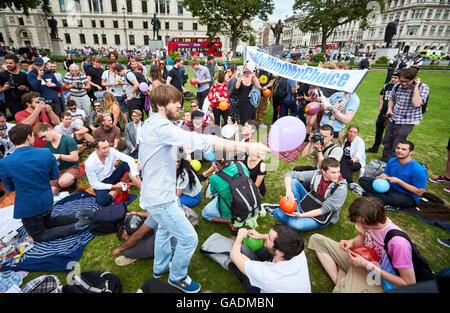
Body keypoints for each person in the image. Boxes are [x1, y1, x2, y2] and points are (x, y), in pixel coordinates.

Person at [138, 84, 269, 293]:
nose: (179, 105)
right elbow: (197, 138)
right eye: (175, 102)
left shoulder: (153, 124)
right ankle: (178, 277)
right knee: (189, 239)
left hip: (161, 193)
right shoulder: (160, 127)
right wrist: (246, 147)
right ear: (161, 104)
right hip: (161, 198)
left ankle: (160, 267)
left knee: (164, 230)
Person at [0, 124, 91, 242]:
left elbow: (10, 187)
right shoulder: (46, 153)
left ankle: (76, 226)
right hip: (46, 200)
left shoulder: (4, 162)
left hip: (28, 206)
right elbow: (54, 176)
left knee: (39, 236)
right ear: (29, 137)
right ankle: (76, 216)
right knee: (47, 223)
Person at [308, 196, 417, 293]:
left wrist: (366, 265)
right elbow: (364, 238)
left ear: (369, 220)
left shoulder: (398, 243)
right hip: (362, 261)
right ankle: (342, 280)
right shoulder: (373, 223)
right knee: (316, 240)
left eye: (358, 222)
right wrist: (351, 242)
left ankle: (344, 281)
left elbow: (408, 283)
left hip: (379, 279)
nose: (356, 224)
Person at [271, 157, 347, 231]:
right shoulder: (317, 174)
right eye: (333, 172)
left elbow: (324, 210)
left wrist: (301, 216)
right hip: (312, 201)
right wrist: (289, 191)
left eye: (338, 171)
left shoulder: (341, 188)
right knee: (293, 182)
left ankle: (277, 211)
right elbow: (290, 174)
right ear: (323, 171)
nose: (337, 175)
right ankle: (295, 210)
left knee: (298, 224)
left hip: (324, 214)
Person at [229, 225, 311, 293]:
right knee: (268, 248)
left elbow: (234, 255)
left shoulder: (267, 275)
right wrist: (260, 236)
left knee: (243, 253)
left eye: (269, 238)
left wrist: (239, 237)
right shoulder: (297, 249)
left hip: (269, 284)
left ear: (280, 252)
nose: (266, 237)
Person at [359, 141, 427, 210]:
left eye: (404, 149)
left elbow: (419, 192)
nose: (399, 151)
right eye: (398, 148)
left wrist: (399, 181)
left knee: (389, 198)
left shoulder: (419, 170)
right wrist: (383, 176)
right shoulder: (392, 160)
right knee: (363, 180)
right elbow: (386, 174)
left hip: (407, 196)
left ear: (411, 152)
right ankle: (381, 198)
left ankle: (369, 195)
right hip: (389, 188)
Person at [380, 67, 430, 162]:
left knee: (397, 143)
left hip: (407, 121)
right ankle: (385, 159)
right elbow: (392, 99)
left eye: (407, 81)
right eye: (401, 80)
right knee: (387, 140)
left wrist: (415, 86)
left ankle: (393, 162)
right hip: (393, 117)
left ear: (414, 79)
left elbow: (417, 103)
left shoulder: (422, 87)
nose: (403, 83)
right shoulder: (397, 86)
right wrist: (390, 109)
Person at [85, 138, 141, 206]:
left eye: (108, 146)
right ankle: (120, 187)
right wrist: (115, 187)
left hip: (113, 175)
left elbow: (130, 159)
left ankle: (140, 187)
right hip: (101, 182)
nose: (108, 149)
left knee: (126, 164)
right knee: (102, 202)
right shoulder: (89, 163)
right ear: (96, 150)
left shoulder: (111, 150)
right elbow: (94, 184)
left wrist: (134, 175)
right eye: (104, 148)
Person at [33, 122, 80, 195]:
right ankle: (58, 184)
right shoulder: (48, 144)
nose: (43, 139)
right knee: (49, 193)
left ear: (49, 130)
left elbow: (75, 158)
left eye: (44, 136)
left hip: (71, 167)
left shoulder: (67, 139)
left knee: (63, 182)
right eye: (41, 138)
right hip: (57, 170)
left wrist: (60, 156)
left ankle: (72, 182)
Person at [201, 156, 250, 225]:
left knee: (205, 213)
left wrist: (216, 173)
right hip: (247, 201)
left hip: (230, 208)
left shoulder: (214, 178)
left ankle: (231, 220)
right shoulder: (240, 164)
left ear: (217, 164)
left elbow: (213, 191)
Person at [366, 70, 400, 153]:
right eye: (392, 77)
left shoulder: (400, 88)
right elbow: (381, 94)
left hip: (393, 115)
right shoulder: (387, 85)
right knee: (378, 131)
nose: (393, 79)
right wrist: (381, 104)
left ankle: (388, 152)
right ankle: (375, 148)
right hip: (382, 113)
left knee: (390, 135)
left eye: (395, 78)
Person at [102, 60, 127, 124]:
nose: (114, 65)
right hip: (110, 94)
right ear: (109, 65)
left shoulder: (120, 72)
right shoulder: (105, 73)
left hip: (119, 93)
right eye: (113, 64)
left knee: (123, 110)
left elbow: (125, 82)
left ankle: (126, 124)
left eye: (115, 64)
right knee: (109, 110)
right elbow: (103, 83)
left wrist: (119, 83)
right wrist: (111, 84)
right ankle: (110, 122)